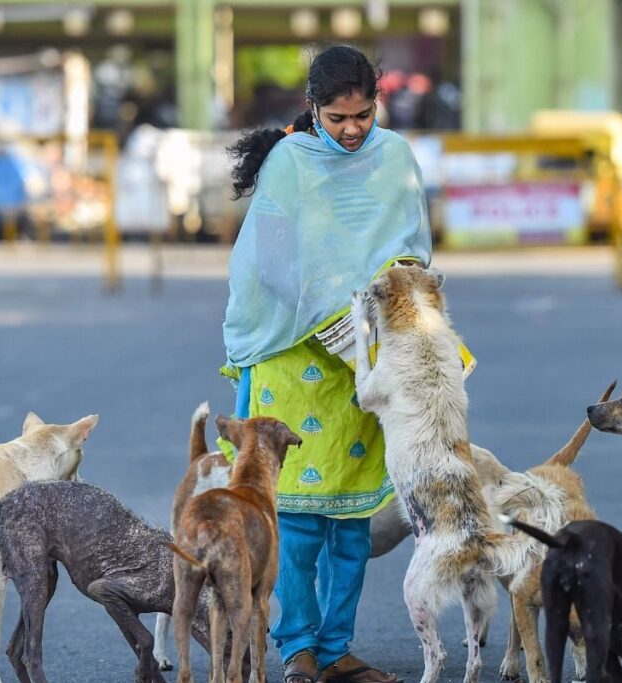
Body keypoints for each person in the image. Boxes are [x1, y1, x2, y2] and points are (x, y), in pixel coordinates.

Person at [222, 45, 432, 683]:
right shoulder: (290, 162)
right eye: (337, 117)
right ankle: (297, 647)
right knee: (300, 517)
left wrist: (395, 289)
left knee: (351, 523)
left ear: (377, 104)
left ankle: (337, 649)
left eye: (362, 115)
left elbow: (410, 246)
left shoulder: (394, 156)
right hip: (295, 354)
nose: (350, 130)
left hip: (363, 360)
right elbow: (275, 266)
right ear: (313, 108)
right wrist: (328, 313)